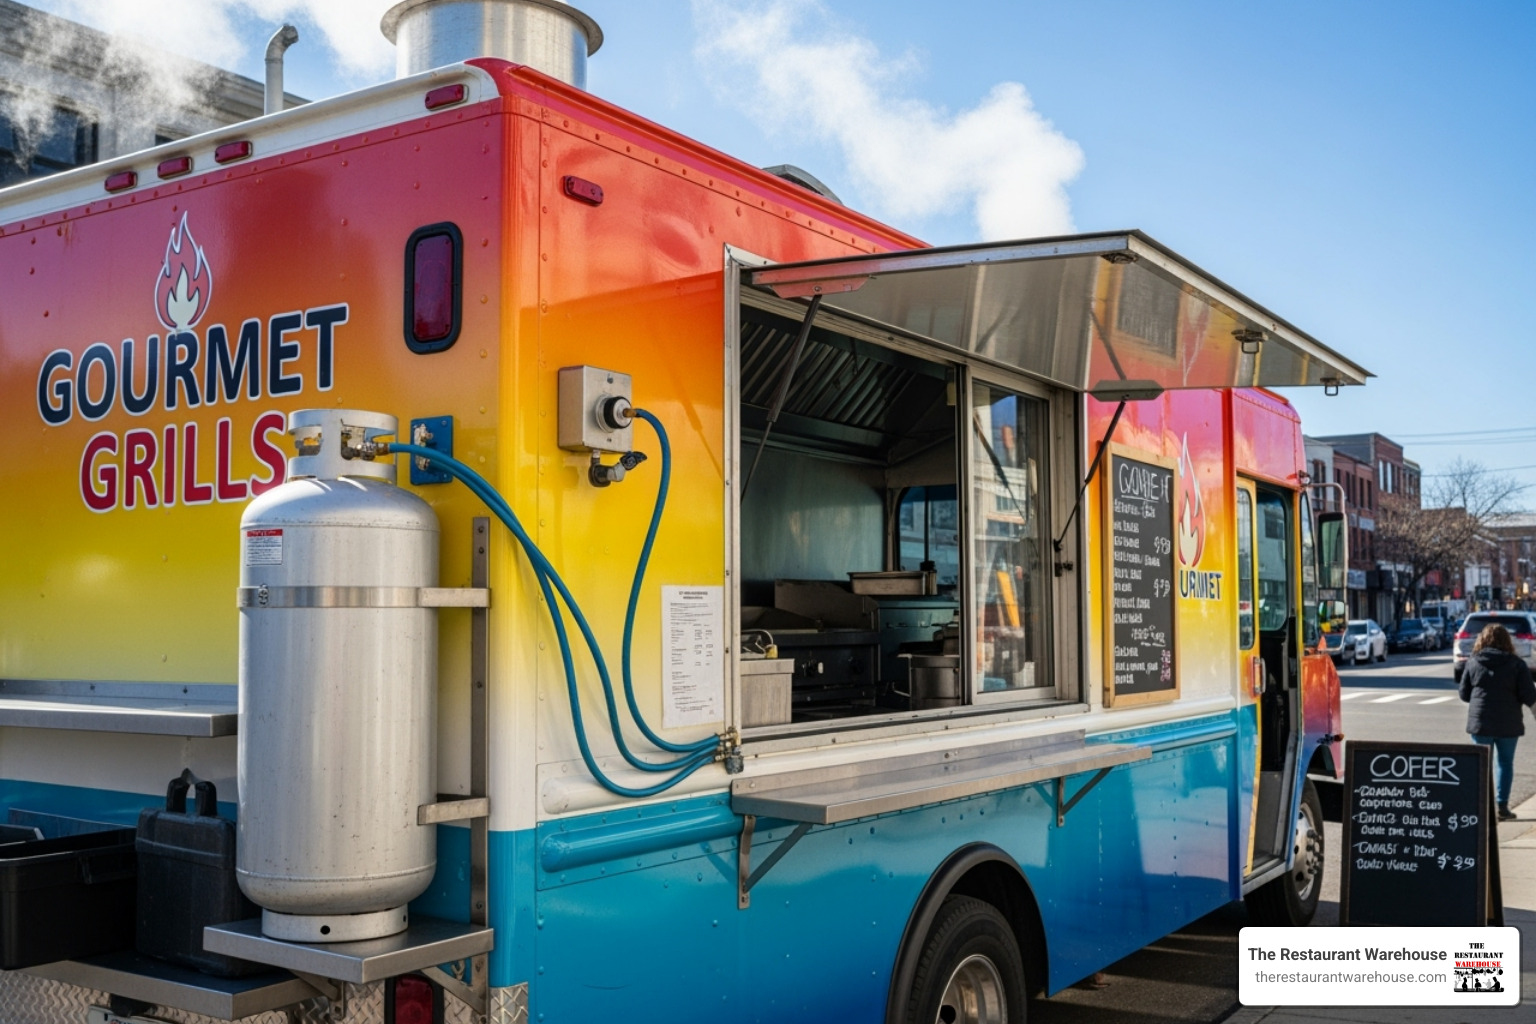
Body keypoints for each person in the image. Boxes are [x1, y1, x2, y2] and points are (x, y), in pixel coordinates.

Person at [1458, 623, 1536, 820]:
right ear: (1507, 641)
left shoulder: (1474, 661)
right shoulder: (1517, 664)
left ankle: (1482, 807)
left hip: (1481, 722)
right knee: (1505, 763)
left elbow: (1464, 694)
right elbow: (1529, 695)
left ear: (1482, 640)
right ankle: (1502, 807)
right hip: (1508, 723)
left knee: (1482, 765)